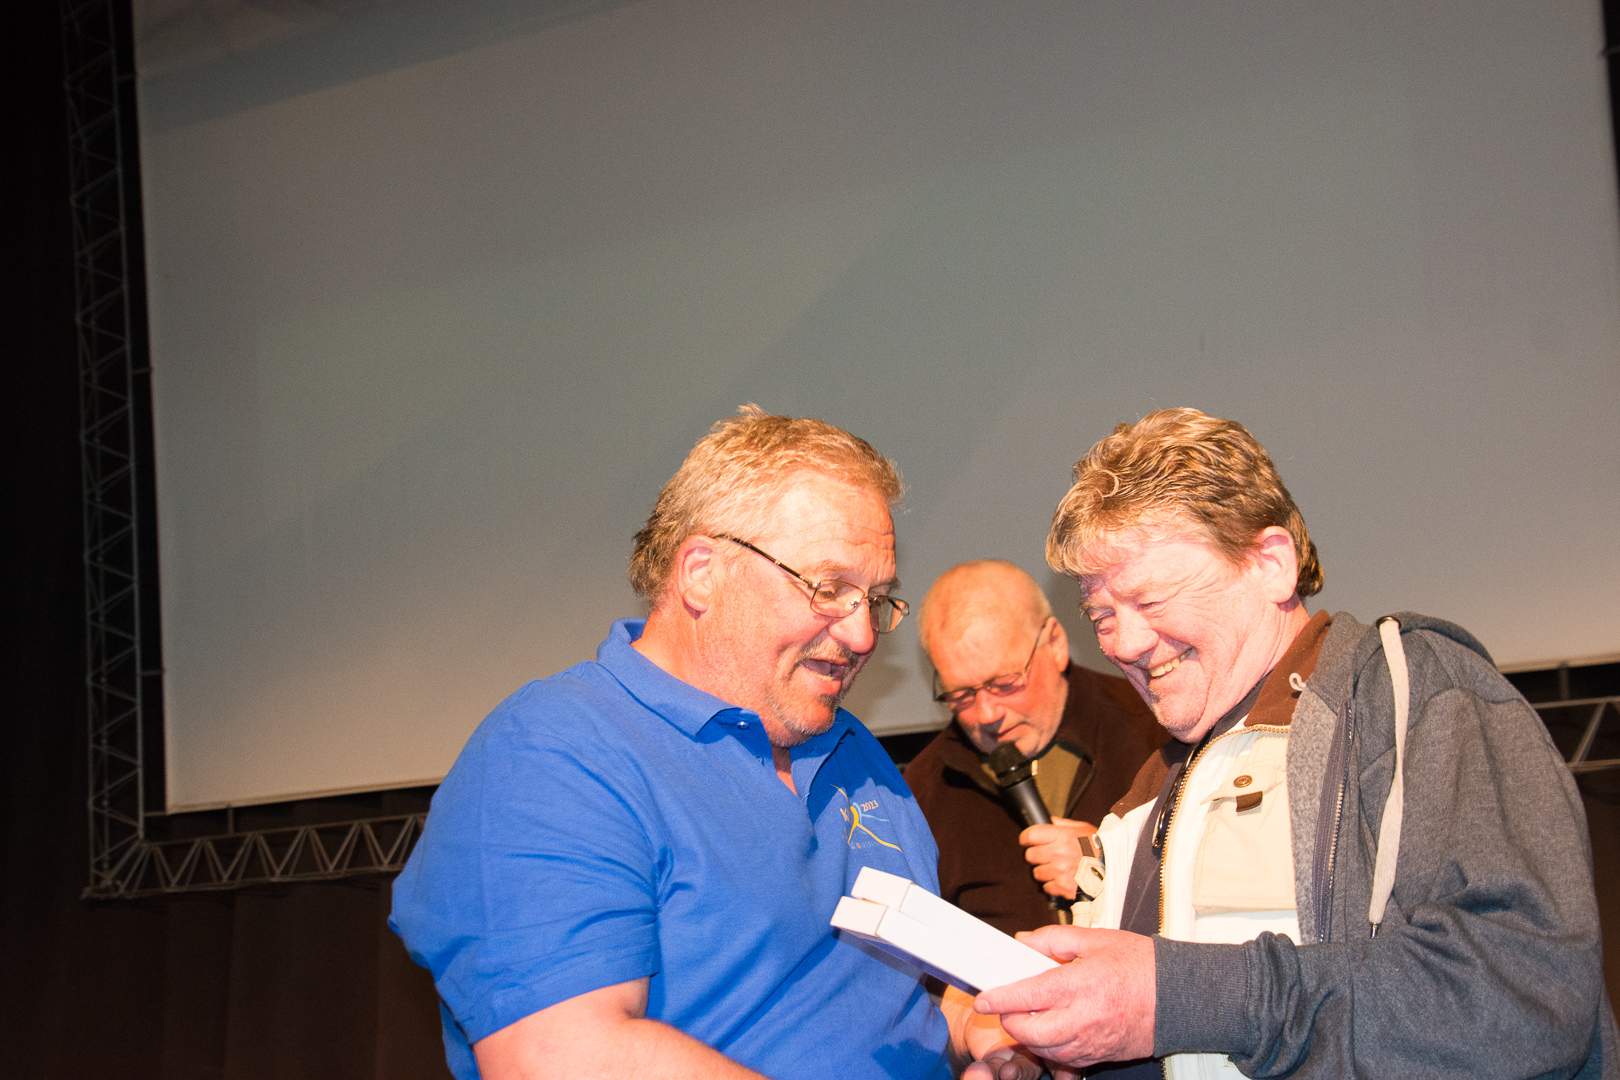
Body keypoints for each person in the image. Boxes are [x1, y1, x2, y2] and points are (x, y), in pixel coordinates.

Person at [390, 407, 1039, 1080]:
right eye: (829, 589)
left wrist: (976, 1034)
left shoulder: (852, 751)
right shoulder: (551, 755)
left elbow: (882, 1007)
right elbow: (561, 1056)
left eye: (874, 599)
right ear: (702, 573)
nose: (863, 635)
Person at [972, 408, 1618, 1080]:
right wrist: (1049, 1056)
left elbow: (1523, 995)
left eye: (1152, 599)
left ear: (1271, 564)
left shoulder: (1411, 694)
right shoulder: (1150, 792)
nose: (1125, 644)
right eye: (1102, 615)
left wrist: (1181, 996)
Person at [904, 560, 1161, 934]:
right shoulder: (924, 789)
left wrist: (1114, 864)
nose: (987, 715)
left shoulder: (1156, 734)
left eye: (1005, 683)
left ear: (1055, 643)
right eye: (960, 695)